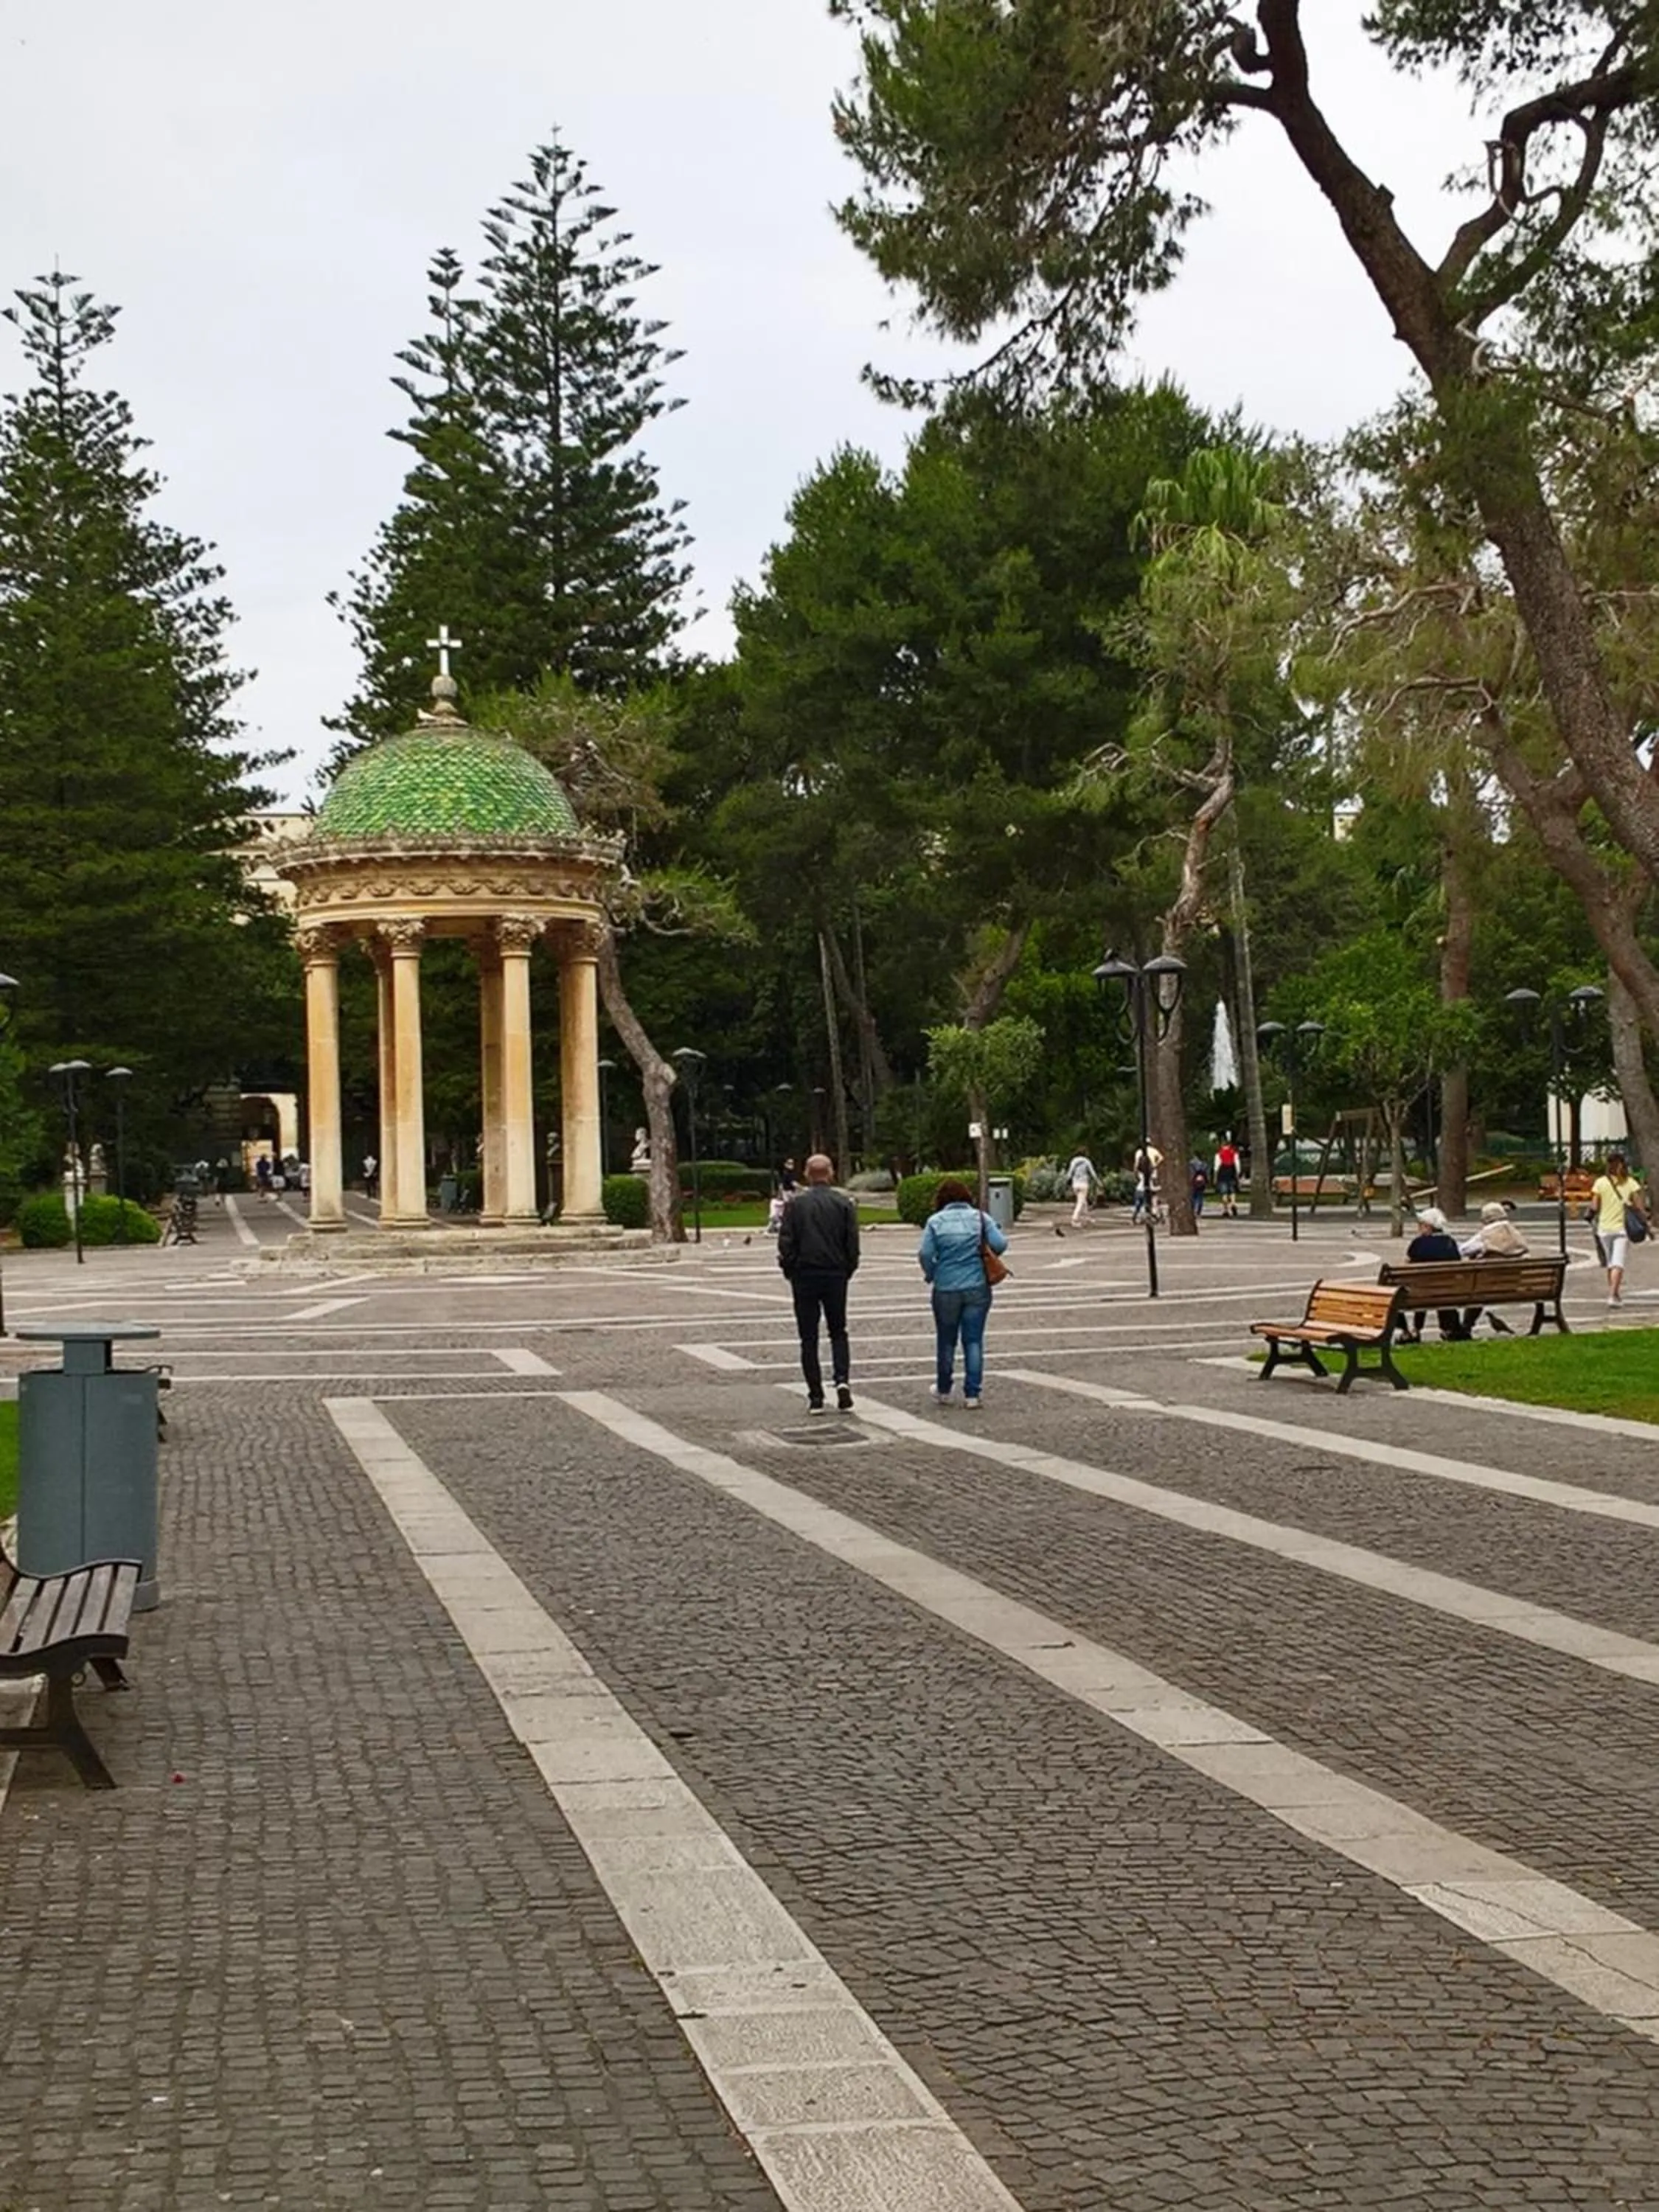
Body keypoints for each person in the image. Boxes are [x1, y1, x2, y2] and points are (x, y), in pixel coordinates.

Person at [777, 1154, 860, 1411]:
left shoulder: (795, 1206)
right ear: (831, 1173)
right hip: (835, 1273)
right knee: (838, 1330)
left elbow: (786, 1241)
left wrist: (789, 1268)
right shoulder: (843, 1203)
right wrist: (847, 1269)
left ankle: (815, 1395)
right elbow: (852, 1244)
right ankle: (842, 1380)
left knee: (808, 1337)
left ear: (806, 1173)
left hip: (804, 1274)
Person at [918, 1178, 1009, 1410]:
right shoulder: (981, 1218)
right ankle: (973, 1394)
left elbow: (926, 1253)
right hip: (977, 1285)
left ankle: (944, 1389)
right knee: (973, 1340)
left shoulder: (935, 1222)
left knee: (946, 1340)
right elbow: (1000, 1244)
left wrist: (931, 1273)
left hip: (946, 1287)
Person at [1457, 1200, 1528, 1336]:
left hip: (1488, 1285)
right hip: (1513, 1284)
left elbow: (1463, 1250)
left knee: (1476, 1292)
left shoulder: (1487, 1234)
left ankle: (1466, 1327)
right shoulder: (1515, 1233)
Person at [1590, 1150, 1649, 1307]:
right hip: (1621, 1228)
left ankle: (1614, 1293)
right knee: (1618, 1263)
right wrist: (1645, 1220)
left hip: (1604, 1227)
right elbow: (1639, 1206)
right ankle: (1612, 1295)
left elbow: (1594, 1206)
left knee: (1611, 1263)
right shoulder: (1630, 1183)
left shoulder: (1600, 1183)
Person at [1402, 1205, 1466, 1341]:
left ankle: (1412, 1331)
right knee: (1442, 1288)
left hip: (1420, 1292)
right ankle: (1449, 1329)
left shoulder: (1418, 1243)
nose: (1419, 1228)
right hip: (1447, 1290)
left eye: (1421, 1225)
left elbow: (1406, 1267)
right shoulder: (1450, 1243)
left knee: (1420, 1287)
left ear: (1428, 1226)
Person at [1065, 1148, 1098, 1228]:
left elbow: (1070, 1173)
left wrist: (1067, 1181)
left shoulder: (1074, 1161)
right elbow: (1092, 1173)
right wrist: (1097, 1181)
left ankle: (1087, 1218)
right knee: (1080, 1202)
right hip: (1084, 1184)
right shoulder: (1087, 1161)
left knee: (1084, 1202)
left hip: (1075, 1184)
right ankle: (1075, 1219)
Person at [1214, 1134, 1242, 1217]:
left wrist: (1215, 1176)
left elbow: (1217, 1166)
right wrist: (1238, 1174)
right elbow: (1237, 1164)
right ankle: (1233, 1203)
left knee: (1224, 1192)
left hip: (1222, 1172)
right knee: (1232, 1191)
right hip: (1232, 1171)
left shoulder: (1219, 1154)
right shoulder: (1234, 1153)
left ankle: (1226, 1210)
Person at [1189, 1154, 1208, 1220]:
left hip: (1194, 1181)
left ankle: (1193, 1211)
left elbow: (1191, 1173)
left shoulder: (1191, 1163)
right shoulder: (1204, 1164)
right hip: (1202, 1182)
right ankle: (1198, 1212)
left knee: (1193, 1197)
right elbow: (1206, 1173)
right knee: (1200, 1197)